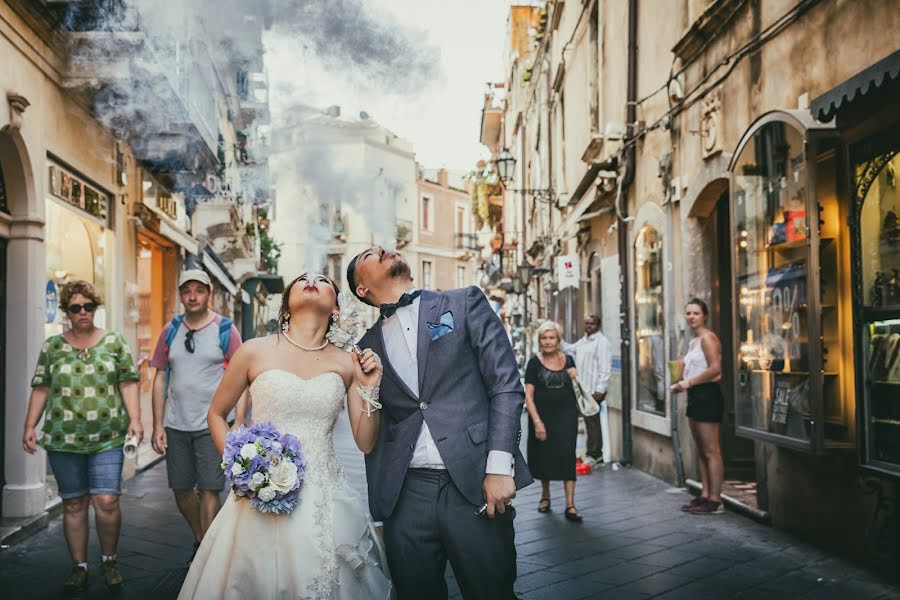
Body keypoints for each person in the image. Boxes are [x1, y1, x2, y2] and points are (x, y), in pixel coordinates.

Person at [178, 273, 391, 599]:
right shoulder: (254, 351)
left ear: (334, 308)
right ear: (286, 304)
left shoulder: (348, 362)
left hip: (325, 497)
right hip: (259, 494)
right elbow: (216, 415)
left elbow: (365, 441)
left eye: (322, 280)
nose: (311, 280)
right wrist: (242, 469)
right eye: (303, 278)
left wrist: (369, 387)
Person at [348, 247, 532, 600]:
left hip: (475, 484)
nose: (384, 249)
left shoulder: (463, 302)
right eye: (371, 254)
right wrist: (386, 512)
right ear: (362, 289)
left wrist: (499, 467)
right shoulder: (364, 347)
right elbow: (371, 437)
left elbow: (506, 386)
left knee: (491, 591)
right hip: (407, 497)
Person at [22, 280, 142, 593]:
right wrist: (29, 426)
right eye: (76, 308)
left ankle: (109, 559)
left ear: (95, 308)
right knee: (74, 504)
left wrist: (136, 420)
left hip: (108, 437)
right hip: (65, 439)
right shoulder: (53, 347)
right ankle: (79, 567)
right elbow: (42, 387)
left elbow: (128, 383)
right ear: (67, 312)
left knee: (106, 499)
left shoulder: (114, 342)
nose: (83, 312)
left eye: (88, 306)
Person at [150, 269, 246, 560]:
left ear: (209, 293)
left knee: (209, 489)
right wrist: (157, 425)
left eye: (199, 290)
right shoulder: (170, 330)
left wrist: (239, 421)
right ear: (181, 295)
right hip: (176, 423)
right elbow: (159, 377)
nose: (192, 296)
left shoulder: (226, 329)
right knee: (180, 489)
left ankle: (207, 554)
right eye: (186, 291)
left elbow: (242, 378)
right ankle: (201, 537)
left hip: (212, 424)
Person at [670, 298, 725, 515]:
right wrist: (680, 377)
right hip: (694, 394)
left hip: (707, 395)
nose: (691, 317)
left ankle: (716, 500)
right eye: (688, 313)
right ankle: (704, 494)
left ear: (705, 315)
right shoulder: (694, 341)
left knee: (712, 450)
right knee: (702, 450)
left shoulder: (708, 338)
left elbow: (715, 369)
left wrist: (688, 382)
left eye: (696, 313)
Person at [525, 321, 583, 523]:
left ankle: (570, 504)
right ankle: (545, 496)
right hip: (542, 417)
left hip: (566, 416)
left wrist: (576, 376)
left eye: (551, 338)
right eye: (544, 338)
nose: (548, 342)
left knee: (568, 456)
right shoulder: (533, 363)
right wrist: (537, 422)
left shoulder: (569, 360)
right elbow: (528, 396)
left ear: (558, 340)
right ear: (539, 341)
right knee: (544, 457)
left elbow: (578, 391)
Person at [569, 314, 611, 466]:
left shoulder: (602, 342)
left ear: (598, 325)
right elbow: (570, 349)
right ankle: (590, 452)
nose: (588, 326)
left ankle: (595, 455)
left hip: (594, 390)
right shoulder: (584, 341)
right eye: (586, 323)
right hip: (583, 390)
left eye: (591, 324)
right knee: (588, 422)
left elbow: (605, 367)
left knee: (593, 423)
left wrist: (601, 389)